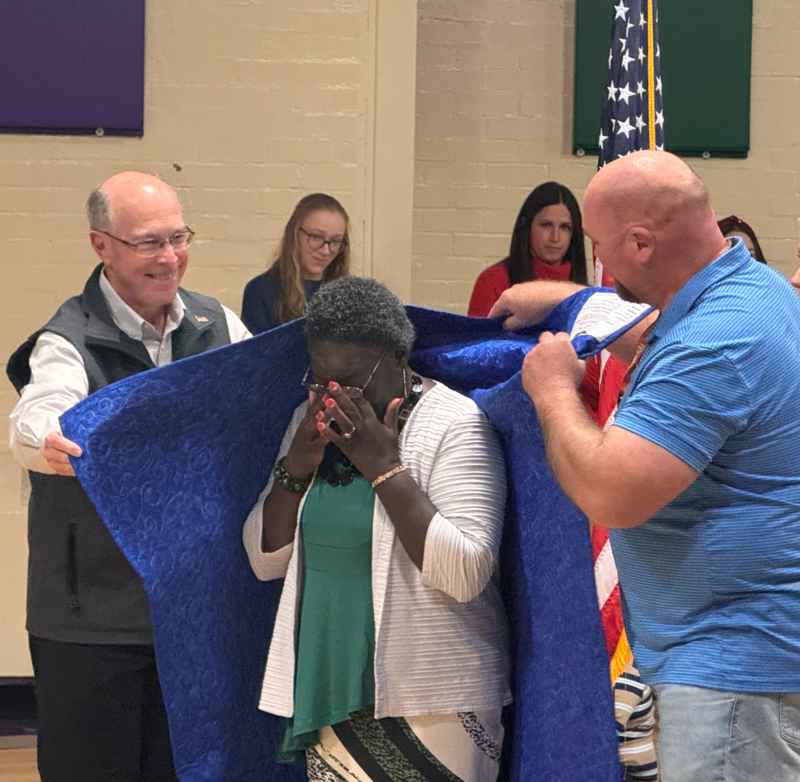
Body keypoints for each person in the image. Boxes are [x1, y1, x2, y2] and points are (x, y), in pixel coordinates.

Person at [499, 150, 800, 781]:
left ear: (641, 243)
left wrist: (553, 390)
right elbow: (657, 334)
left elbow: (611, 494)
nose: (599, 264)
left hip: (734, 667)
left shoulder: (720, 340)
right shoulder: (752, 291)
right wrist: (566, 298)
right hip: (741, 656)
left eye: (601, 248)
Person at [6, 172, 250, 782]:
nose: (169, 258)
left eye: (178, 237)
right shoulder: (66, 339)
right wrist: (48, 440)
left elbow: (268, 398)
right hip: (90, 622)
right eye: (148, 243)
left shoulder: (220, 325)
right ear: (101, 246)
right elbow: (34, 418)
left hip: (193, 615)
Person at [243, 277, 510, 782]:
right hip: (331, 685)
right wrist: (296, 465)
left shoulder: (455, 423)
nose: (333, 397)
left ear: (398, 354)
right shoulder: (309, 420)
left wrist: (383, 467)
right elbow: (265, 560)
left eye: (350, 381)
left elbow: (466, 573)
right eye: (321, 381)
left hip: (434, 701)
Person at [467, 181, 588, 317]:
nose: (555, 237)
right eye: (546, 225)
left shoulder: (586, 291)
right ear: (527, 226)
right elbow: (479, 338)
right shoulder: (493, 282)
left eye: (565, 227)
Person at [241, 193, 350, 333]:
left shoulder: (348, 294)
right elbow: (257, 353)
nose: (325, 250)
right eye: (316, 237)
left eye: (335, 241)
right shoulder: (261, 291)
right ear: (294, 234)